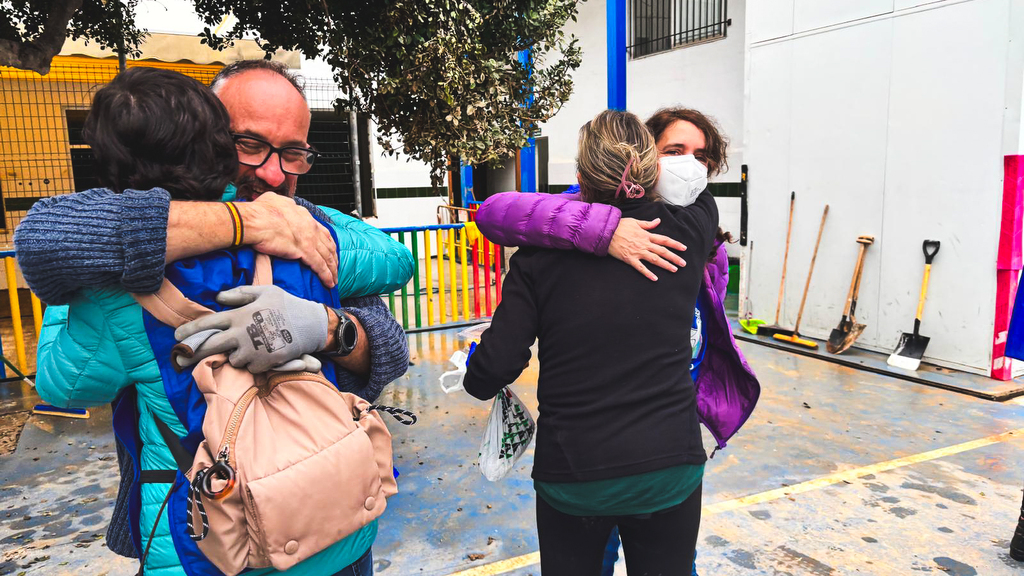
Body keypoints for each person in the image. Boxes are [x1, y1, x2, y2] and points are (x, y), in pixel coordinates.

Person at [23, 66, 411, 576]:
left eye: (294, 153)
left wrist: (328, 325)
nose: (275, 175)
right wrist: (249, 222)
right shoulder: (302, 236)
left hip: (210, 541)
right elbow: (44, 238)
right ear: (208, 136)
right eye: (249, 144)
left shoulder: (302, 226)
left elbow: (65, 384)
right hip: (332, 519)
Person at [474, 107, 760, 574]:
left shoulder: (537, 257)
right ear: (650, 164)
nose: (690, 168)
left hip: (574, 473)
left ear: (583, 175)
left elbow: (496, 365)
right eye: (674, 154)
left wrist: (477, 374)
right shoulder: (691, 228)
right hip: (670, 467)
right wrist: (608, 232)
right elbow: (691, 199)